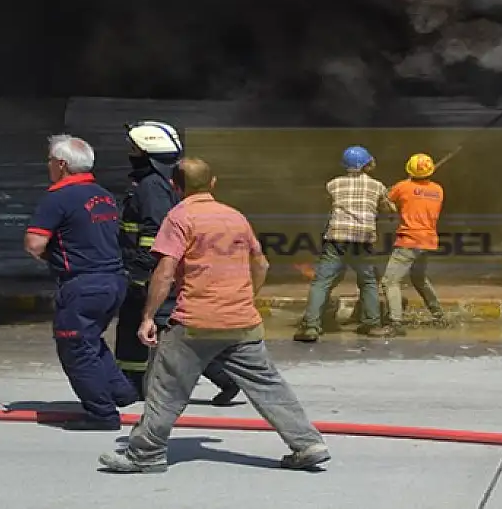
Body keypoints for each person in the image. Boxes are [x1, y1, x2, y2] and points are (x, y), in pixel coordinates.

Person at [98, 157, 331, 473]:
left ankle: (145, 454)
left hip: (195, 322)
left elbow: (165, 272)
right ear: (213, 184)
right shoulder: (235, 217)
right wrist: (245, 299)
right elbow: (261, 264)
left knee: (165, 388)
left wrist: (148, 316)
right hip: (243, 321)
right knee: (268, 385)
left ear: (174, 186)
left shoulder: (179, 217)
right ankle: (307, 443)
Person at [115, 120, 239, 406]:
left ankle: (227, 377)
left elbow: (155, 230)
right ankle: (132, 385)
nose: (130, 152)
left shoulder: (151, 186)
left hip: (148, 272)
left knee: (170, 329)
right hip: (145, 270)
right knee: (141, 327)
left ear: (146, 150)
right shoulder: (160, 181)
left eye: (134, 147)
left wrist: (143, 268)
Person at [23, 134, 139, 431]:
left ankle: (102, 414)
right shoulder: (102, 194)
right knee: (90, 341)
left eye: (49, 161)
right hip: (114, 281)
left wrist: (57, 259)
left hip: (83, 284)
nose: (48, 166)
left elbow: (34, 244)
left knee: (74, 347)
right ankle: (121, 392)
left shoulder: (57, 197)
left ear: (61, 164)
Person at [294, 145, 395, 342]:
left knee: (321, 283)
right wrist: (386, 197)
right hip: (362, 241)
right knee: (367, 282)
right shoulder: (377, 186)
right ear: (366, 164)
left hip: (336, 239)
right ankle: (372, 325)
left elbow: (328, 204)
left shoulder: (333, 184)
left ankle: (311, 327)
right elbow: (389, 211)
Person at [380, 153, 448, 334]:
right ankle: (439, 316)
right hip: (428, 241)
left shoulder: (402, 187)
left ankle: (395, 323)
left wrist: (388, 194)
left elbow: (386, 203)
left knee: (389, 281)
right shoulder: (438, 190)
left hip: (409, 240)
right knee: (419, 279)